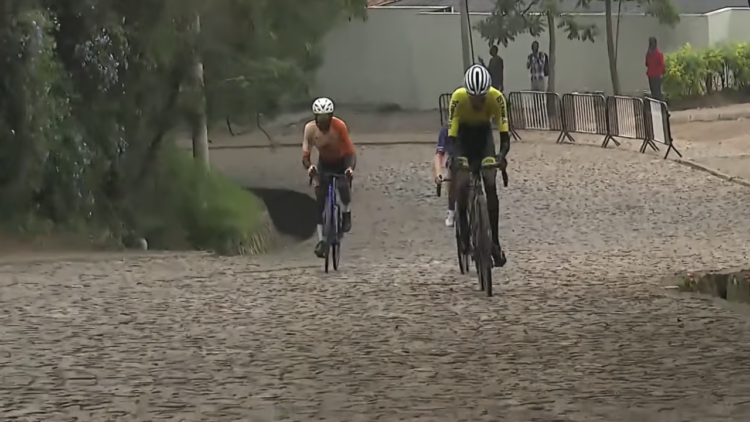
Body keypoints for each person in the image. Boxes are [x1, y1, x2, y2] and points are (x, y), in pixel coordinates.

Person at [447, 64, 510, 267]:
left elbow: (505, 138)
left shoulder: (496, 98)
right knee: (462, 181)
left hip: (484, 138)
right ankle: (464, 231)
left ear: (487, 93)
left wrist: (500, 156)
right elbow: (451, 138)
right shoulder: (458, 98)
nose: (477, 102)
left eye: (481, 98)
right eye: (473, 98)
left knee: (490, 185)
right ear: (467, 93)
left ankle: (495, 243)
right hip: (463, 138)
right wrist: (454, 158)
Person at [302, 97, 356, 258]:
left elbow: (350, 151)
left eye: (326, 118)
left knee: (343, 187)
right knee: (320, 199)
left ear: (331, 116)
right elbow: (305, 154)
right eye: (320, 118)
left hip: (341, 161)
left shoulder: (339, 126)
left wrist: (349, 168)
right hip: (324, 164)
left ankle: (346, 213)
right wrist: (310, 167)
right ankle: (322, 240)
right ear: (315, 117)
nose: (323, 122)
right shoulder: (310, 129)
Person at [434, 125, 455, 227]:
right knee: (452, 175)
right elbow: (439, 154)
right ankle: (451, 210)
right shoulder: (446, 130)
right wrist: (438, 173)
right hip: (454, 159)